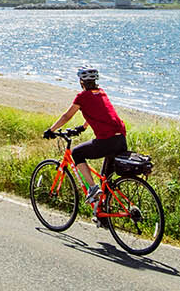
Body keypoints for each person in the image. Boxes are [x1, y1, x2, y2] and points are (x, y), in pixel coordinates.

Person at [46, 66, 128, 202]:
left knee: (77, 153)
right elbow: (101, 112)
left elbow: (66, 116)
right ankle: (104, 216)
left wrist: (51, 130)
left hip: (107, 140)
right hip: (120, 139)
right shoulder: (101, 93)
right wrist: (83, 127)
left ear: (81, 82)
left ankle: (92, 188)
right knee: (106, 180)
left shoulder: (82, 97)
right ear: (95, 81)